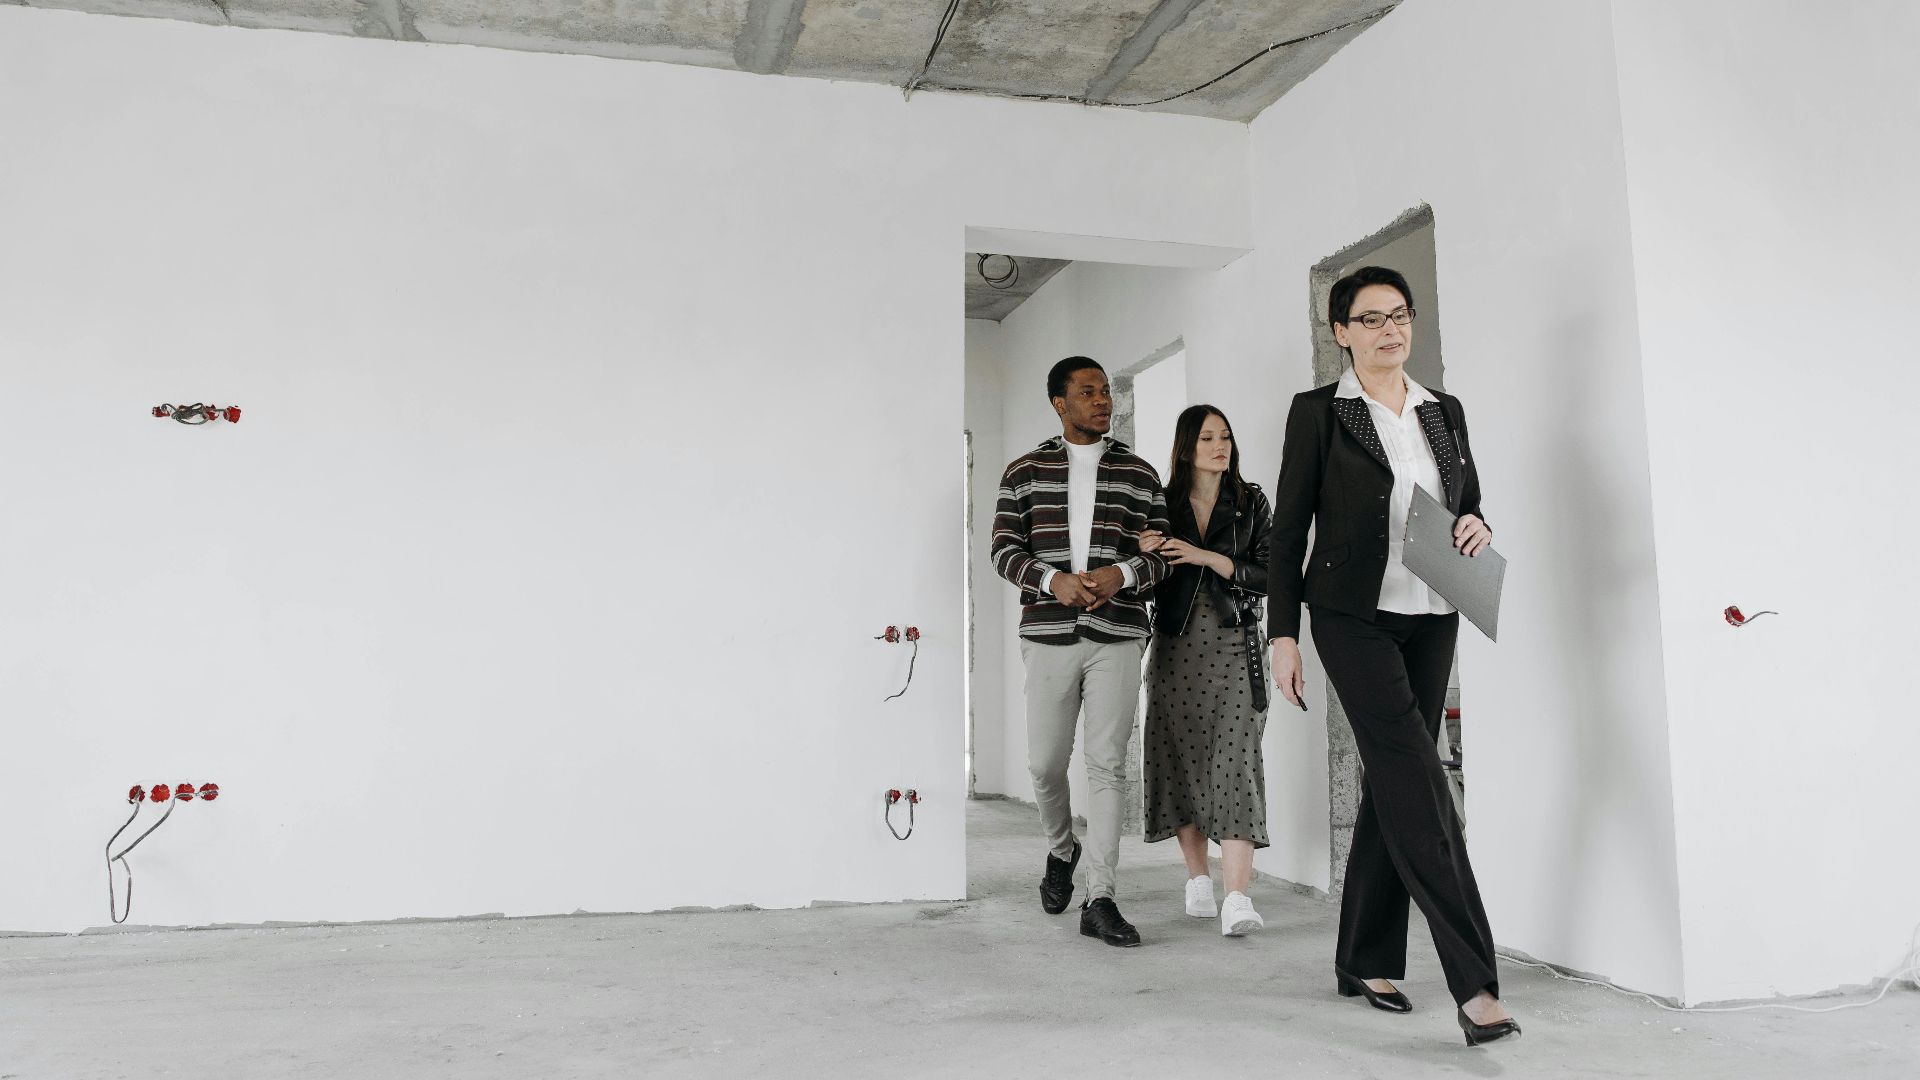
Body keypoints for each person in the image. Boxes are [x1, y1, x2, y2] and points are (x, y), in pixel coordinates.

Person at [1266, 266, 1521, 1046]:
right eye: (1371, 319)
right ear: (1341, 332)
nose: (1390, 331)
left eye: (1400, 316)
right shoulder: (1319, 414)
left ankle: (1363, 957)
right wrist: (1283, 633)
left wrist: (1477, 523)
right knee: (1422, 780)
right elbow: (1288, 528)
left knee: (1392, 782)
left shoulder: (1444, 411)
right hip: (1351, 616)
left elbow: (1464, 498)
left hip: (1435, 608)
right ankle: (1475, 985)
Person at [991, 356, 1169, 948]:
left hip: (1118, 633)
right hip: (1046, 632)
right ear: (1059, 404)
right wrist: (1051, 581)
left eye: (1106, 392)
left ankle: (1102, 896)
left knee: (1107, 765)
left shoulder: (1140, 474)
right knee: (1044, 763)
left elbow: (1162, 554)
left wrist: (1121, 573)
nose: (1102, 401)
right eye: (1087, 392)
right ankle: (1061, 849)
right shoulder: (1023, 471)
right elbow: (1002, 550)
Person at [1136, 405, 1273, 937]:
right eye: (1209, 437)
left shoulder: (1251, 502)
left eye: (1227, 437)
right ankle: (1198, 880)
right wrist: (1145, 551)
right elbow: (1142, 584)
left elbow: (1272, 574)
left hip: (1236, 643)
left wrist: (1206, 557)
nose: (1222, 446)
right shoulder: (1161, 503)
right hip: (1175, 647)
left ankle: (1237, 895)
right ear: (1186, 447)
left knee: (1236, 762)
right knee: (1179, 758)